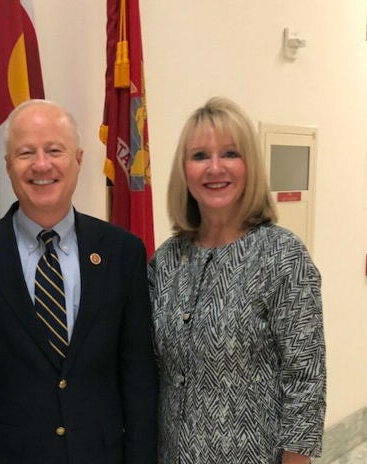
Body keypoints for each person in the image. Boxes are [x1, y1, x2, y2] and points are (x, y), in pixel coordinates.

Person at [0, 99, 158, 464]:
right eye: (25, 153)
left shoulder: (123, 253)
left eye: (55, 150)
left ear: (79, 159)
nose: (41, 164)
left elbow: (138, 378)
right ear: (8, 166)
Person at [148, 97, 326, 464]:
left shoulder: (282, 255)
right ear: (184, 171)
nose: (215, 168)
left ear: (250, 166)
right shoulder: (166, 260)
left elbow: (305, 383)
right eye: (199, 156)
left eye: (230, 153)